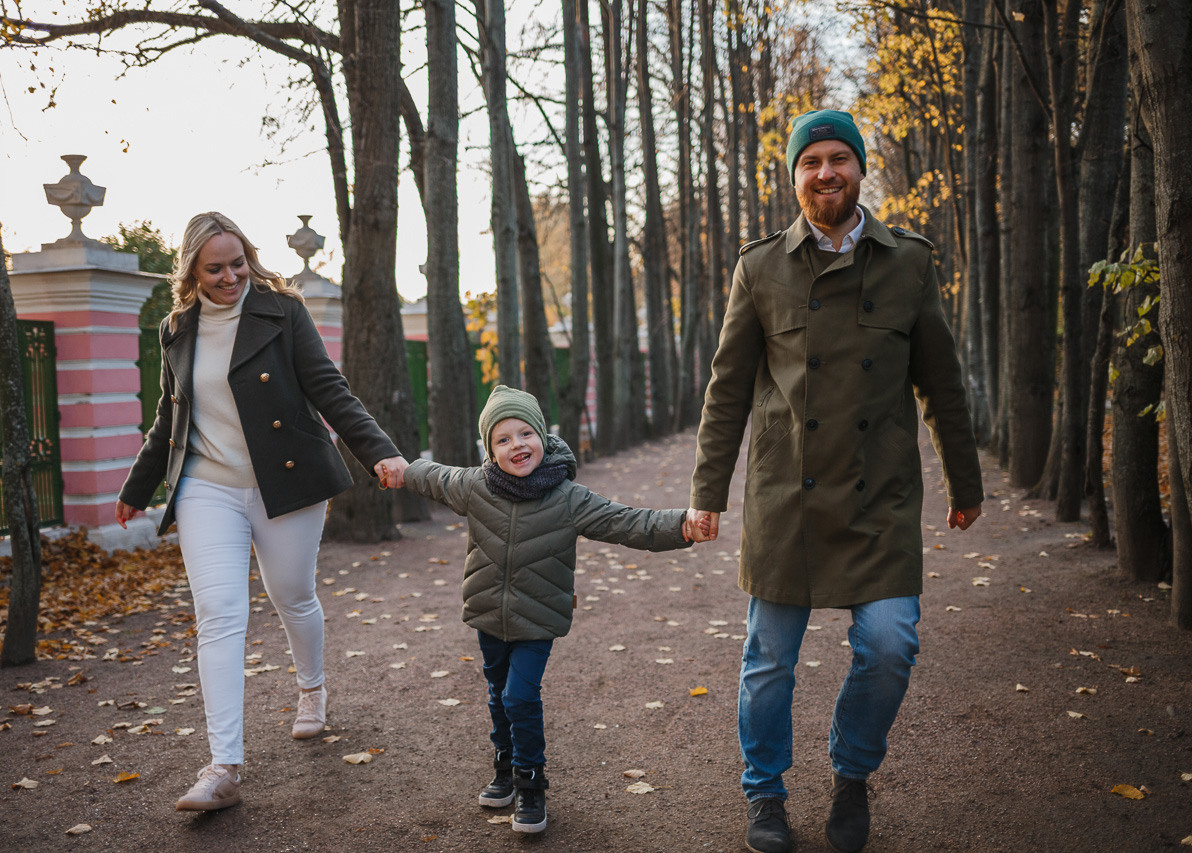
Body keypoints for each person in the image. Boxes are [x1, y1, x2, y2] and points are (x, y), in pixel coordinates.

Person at [685, 109, 984, 853]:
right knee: (768, 662)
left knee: (890, 644)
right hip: (788, 494)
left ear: (859, 169)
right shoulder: (760, 267)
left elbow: (941, 382)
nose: (826, 172)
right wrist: (707, 491)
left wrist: (965, 480)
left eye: (839, 159)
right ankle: (765, 792)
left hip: (878, 496)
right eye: (811, 160)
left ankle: (851, 775)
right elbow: (728, 388)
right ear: (794, 178)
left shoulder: (911, 261)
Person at [115, 211, 409, 812]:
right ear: (192, 270)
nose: (230, 277)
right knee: (219, 615)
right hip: (206, 487)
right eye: (215, 267)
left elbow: (329, 388)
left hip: (287, 482)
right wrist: (137, 486)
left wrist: (379, 451)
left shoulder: (284, 311)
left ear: (249, 256)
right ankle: (223, 767)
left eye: (237, 262)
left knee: (292, 594)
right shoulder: (177, 328)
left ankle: (311, 690)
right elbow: (169, 417)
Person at [397, 385, 704, 834]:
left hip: (538, 619)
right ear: (491, 450)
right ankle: (504, 767)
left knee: (519, 696)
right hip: (487, 614)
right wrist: (401, 471)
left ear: (542, 436)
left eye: (525, 433)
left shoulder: (568, 498)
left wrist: (683, 525)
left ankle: (531, 784)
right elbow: (433, 475)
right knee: (497, 694)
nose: (517, 445)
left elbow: (628, 522)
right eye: (503, 439)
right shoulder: (475, 487)